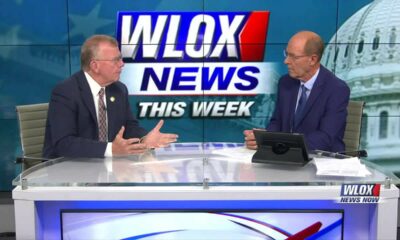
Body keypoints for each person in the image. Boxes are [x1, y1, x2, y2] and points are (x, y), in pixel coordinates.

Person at [43, 35, 178, 158]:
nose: (122, 64)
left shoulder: (119, 89)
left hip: (107, 169)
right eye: (116, 60)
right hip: (67, 171)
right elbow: (64, 144)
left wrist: (144, 139)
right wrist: (110, 149)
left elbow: (129, 127)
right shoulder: (66, 92)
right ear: (95, 66)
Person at [244, 31, 350, 152]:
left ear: (312, 59)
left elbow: (325, 138)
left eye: (293, 57)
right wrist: (264, 138)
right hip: (287, 157)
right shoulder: (285, 83)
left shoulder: (337, 89)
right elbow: (277, 122)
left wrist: (282, 143)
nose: (286, 61)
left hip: (322, 160)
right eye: (286, 54)